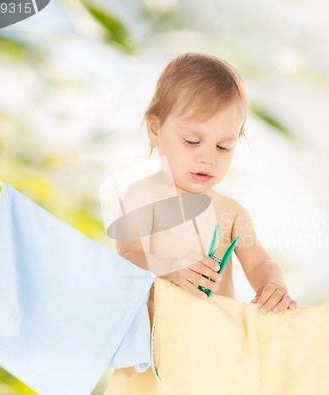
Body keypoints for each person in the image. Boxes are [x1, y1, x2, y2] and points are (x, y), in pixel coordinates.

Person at [117, 52, 298, 316]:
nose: (208, 158)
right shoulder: (142, 195)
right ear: (155, 130)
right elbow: (127, 259)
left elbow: (260, 262)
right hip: (158, 342)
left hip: (218, 343)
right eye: (192, 141)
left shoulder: (231, 212)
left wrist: (273, 286)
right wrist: (169, 269)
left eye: (223, 147)